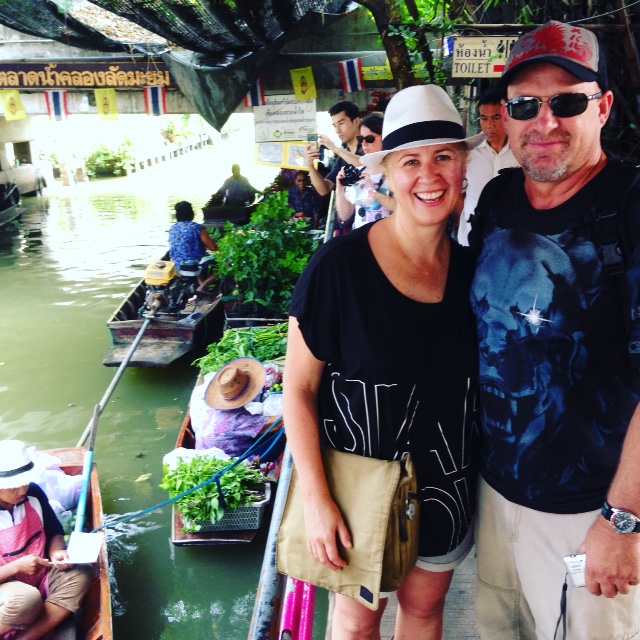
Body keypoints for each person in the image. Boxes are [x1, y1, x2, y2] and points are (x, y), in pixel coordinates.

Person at [283, 84, 484, 639]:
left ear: (463, 166)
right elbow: (298, 390)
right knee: (355, 622)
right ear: (388, 173)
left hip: (448, 482)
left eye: (443, 157)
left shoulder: (476, 271)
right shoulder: (338, 269)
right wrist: (317, 500)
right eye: (410, 161)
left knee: (424, 608)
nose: (429, 175)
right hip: (355, 487)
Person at [468, 20, 640, 640]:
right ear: (505, 116)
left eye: (567, 103)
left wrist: (624, 521)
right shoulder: (498, 199)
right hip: (495, 496)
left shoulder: (630, 207)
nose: (544, 122)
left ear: (603, 108)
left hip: (590, 515)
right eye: (524, 105)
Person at [0, 441, 93, 640]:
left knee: (82, 572)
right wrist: (15, 567)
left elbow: (55, 532)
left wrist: (56, 552)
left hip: (40, 578)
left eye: (25, 482)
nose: (22, 490)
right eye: (14, 486)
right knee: (25, 600)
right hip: (8, 594)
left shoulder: (33, 493)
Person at [457, 88, 519, 245]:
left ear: (507, 117)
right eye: (484, 118)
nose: (490, 125)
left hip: (510, 241)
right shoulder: (468, 153)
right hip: (470, 239)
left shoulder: (521, 153)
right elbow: (458, 194)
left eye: (496, 118)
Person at [335, 112, 396, 231]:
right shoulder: (359, 171)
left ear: (384, 138)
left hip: (388, 237)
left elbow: (404, 209)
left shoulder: (395, 172)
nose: (364, 143)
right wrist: (340, 188)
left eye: (369, 139)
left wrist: (373, 193)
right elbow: (345, 215)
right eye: (361, 139)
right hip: (361, 236)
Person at [303, 101, 364, 197]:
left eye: (341, 123)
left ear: (356, 121)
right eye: (335, 125)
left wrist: (335, 149)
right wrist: (310, 166)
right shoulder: (343, 156)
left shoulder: (369, 145)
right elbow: (324, 189)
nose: (337, 130)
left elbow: (367, 164)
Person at [168, 201, 217, 294]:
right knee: (223, 265)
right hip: (194, 265)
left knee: (200, 259)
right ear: (191, 213)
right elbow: (212, 248)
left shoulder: (173, 228)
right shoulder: (197, 228)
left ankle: (200, 282)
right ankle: (202, 287)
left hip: (177, 265)